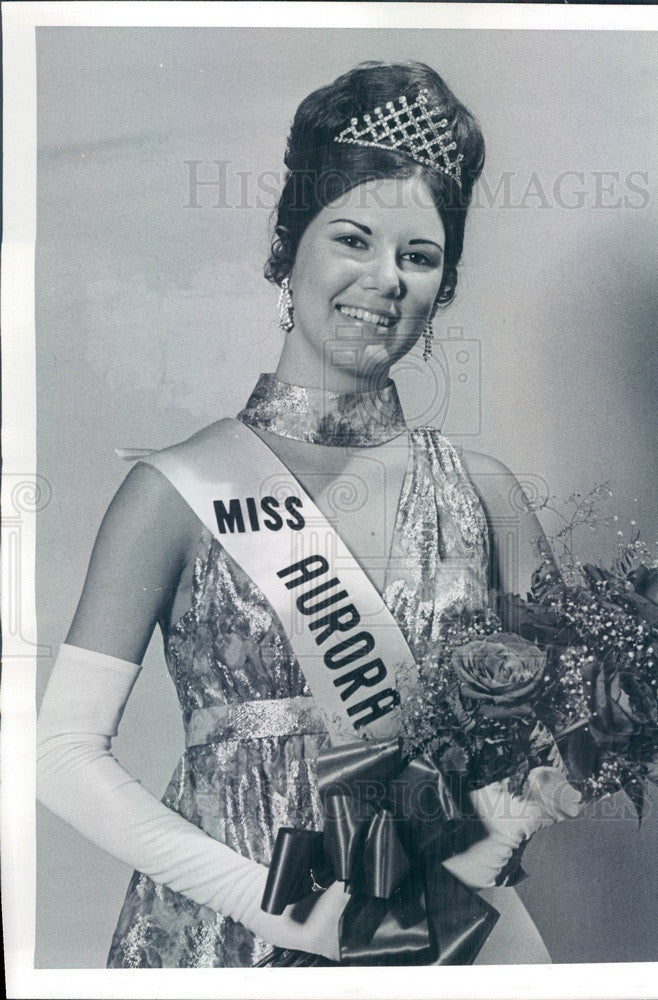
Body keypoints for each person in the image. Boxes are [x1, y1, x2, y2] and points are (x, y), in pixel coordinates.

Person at [36, 61, 578, 969]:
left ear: (442, 289)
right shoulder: (174, 491)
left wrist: (479, 857)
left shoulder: (487, 494)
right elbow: (59, 756)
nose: (384, 280)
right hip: (225, 935)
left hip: (438, 935)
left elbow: (563, 739)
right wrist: (280, 910)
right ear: (290, 250)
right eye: (353, 240)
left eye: (419, 256)